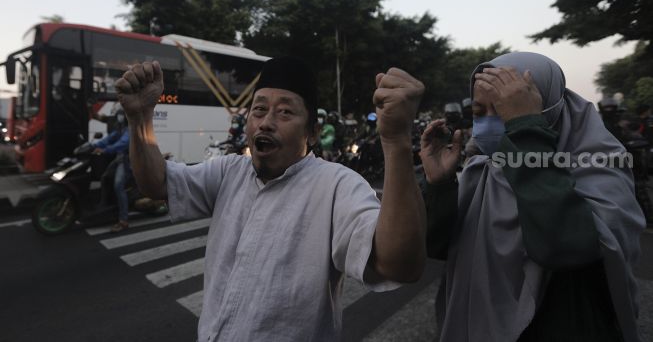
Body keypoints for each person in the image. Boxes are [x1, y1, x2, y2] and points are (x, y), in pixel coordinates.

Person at [115, 57, 426, 341]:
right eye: (259, 109)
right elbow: (157, 184)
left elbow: (398, 265)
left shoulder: (336, 186)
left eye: (285, 111)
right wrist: (140, 117)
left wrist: (397, 140)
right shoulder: (228, 172)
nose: (265, 122)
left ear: (313, 133)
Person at [420, 52, 645, 341]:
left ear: (548, 110)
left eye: (505, 110)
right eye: (478, 113)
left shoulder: (598, 164)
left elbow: (565, 246)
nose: (490, 124)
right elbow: (436, 247)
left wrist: (526, 132)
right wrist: (440, 184)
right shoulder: (481, 170)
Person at [92, 109, 131, 233]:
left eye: (121, 115)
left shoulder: (130, 129)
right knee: (104, 177)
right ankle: (104, 204)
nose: (119, 117)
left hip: (128, 160)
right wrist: (92, 145)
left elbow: (122, 144)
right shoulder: (120, 128)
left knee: (118, 185)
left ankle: (123, 220)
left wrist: (105, 150)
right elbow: (110, 138)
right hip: (119, 158)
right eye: (118, 115)